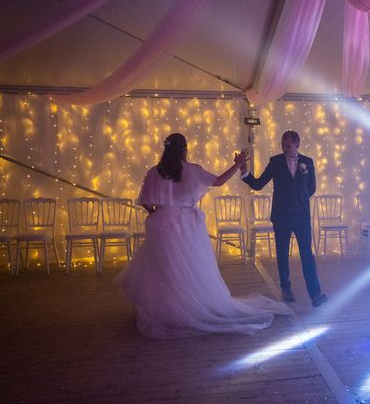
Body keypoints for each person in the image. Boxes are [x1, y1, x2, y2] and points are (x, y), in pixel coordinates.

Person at [115, 133, 292, 338]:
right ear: (184, 149)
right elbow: (217, 181)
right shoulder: (193, 170)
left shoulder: (154, 172)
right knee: (192, 267)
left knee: (164, 268)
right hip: (188, 224)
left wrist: (157, 213)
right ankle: (191, 305)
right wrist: (237, 165)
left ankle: (168, 309)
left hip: (161, 224)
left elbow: (145, 200)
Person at [239, 130, 327, 307]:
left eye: (287, 145)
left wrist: (298, 200)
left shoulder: (307, 162)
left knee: (307, 255)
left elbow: (311, 188)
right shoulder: (275, 162)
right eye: (282, 144)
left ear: (297, 145)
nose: (284, 148)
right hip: (281, 216)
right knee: (282, 253)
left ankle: (315, 293)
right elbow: (258, 184)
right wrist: (244, 171)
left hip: (301, 216)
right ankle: (286, 288)